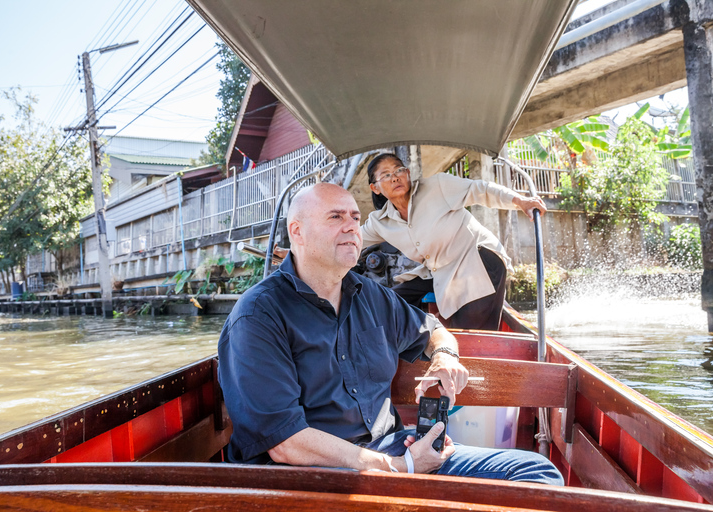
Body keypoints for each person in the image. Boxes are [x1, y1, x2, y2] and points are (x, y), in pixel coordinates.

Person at [217, 182, 562, 484]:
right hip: (312, 474)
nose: (352, 227)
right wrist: (399, 467)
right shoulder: (258, 316)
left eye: (355, 218)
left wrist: (444, 359)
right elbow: (286, 443)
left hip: (392, 448)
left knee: (536, 472)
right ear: (297, 232)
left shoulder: (371, 295)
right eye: (335, 217)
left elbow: (434, 330)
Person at [362, 153, 547, 330]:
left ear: (408, 173)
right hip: (439, 270)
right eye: (386, 175)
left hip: (476, 259)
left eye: (398, 170)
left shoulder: (437, 186)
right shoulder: (379, 221)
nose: (395, 177)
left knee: (468, 333)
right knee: (387, 305)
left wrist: (521, 201)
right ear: (375, 188)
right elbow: (352, 238)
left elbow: (480, 189)